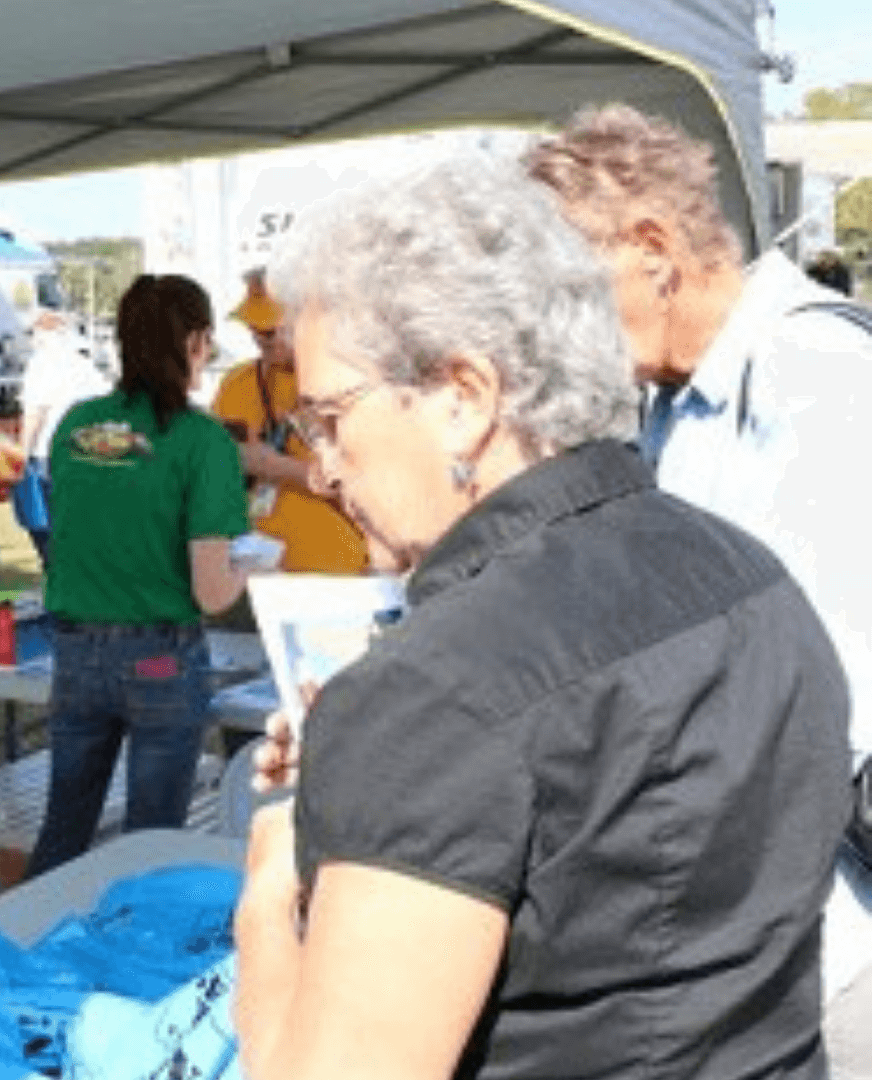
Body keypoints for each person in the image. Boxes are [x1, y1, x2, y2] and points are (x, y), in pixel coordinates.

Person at [231, 154, 849, 1079]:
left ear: (463, 397)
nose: (322, 467)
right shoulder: (746, 573)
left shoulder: (430, 694)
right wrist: (362, 783)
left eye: (331, 418)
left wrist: (269, 885)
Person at [525, 103, 872, 1078]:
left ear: (651, 250)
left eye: (567, 297)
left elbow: (826, 715)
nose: (557, 334)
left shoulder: (816, 378)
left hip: (831, 955)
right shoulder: (675, 404)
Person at [24, 273, 249, 879]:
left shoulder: (76, 426)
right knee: (151, 846)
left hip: (75, 652)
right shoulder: (203, 441)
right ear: (195, 341)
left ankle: (34, 932)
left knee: (63, 831)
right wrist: (251, 565)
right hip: (160, 659)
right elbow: (212, 592)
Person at [210, 269, 368, 574]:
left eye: (269, 329)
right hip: (250, 563)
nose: (258, 336)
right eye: (252, 326)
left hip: (332, 568)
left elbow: (362, 485)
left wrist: (275, 467)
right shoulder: (236, 383)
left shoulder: (342, 385)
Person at [15, 309, 110, 566]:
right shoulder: (84, 365)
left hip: (50, 454)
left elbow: (35, 415)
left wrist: (20, 457)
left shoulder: (40, 364)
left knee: (45, 525)